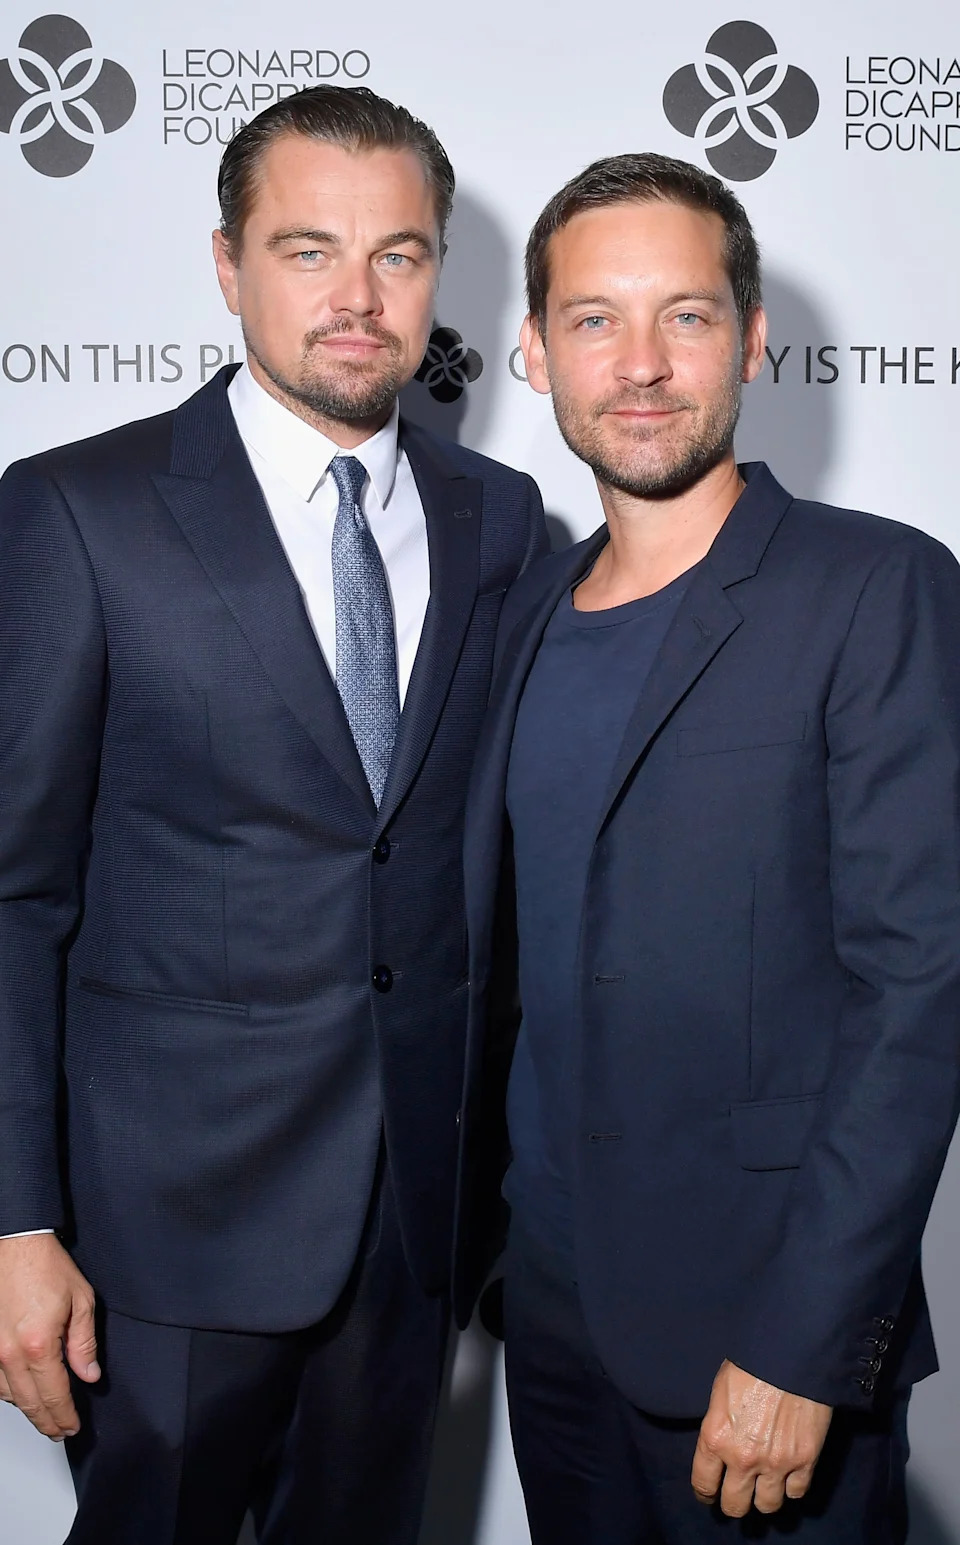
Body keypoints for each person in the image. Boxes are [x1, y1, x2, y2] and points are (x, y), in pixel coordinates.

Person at [0, 85, 546, 1545]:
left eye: (400, 255)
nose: (360, 299)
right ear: (230, 266)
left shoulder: (504, 522)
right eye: (309, 251)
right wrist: (13, 1220)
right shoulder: (78, 512)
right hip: (160, 1233)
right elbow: (15, 893)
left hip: (415, 1224)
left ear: (440, 276)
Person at [454, 152, 960, 1541]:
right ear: (536, 351)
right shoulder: (521, 610)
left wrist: (809, 1338)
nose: (640, 364)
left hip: (763, 1341)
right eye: (594, 319)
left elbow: (922, 989)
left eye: (683, 315)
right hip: (548, 1328)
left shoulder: (877, 587)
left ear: (750, 338)